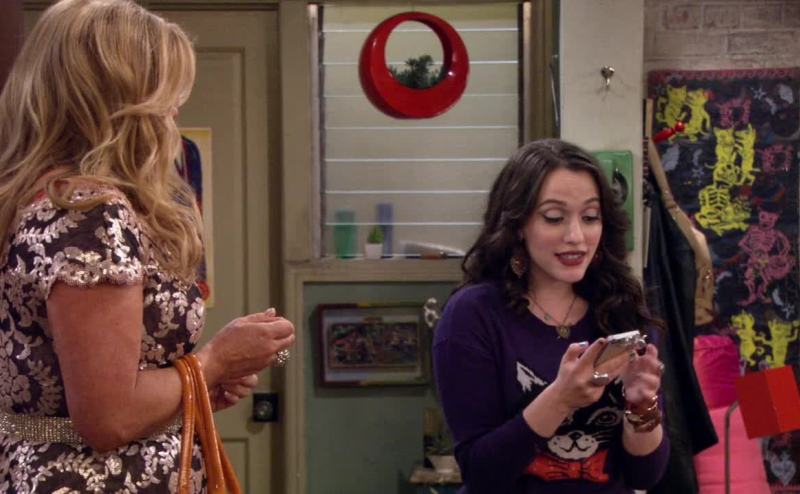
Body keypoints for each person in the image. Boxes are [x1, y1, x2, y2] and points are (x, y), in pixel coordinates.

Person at [0, 1, 294, 492]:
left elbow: (67, 390)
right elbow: (109, 418)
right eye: (168, 93)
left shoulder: (35, 198)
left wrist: (193, 389)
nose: (176, 111)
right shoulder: (91, 214)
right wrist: (215, 361)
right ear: (120, 100)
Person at [433, 139, 669, 493]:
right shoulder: (472, 315)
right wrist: (561, 398)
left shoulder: (622, 309)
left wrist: (641, 405)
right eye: (554, 218)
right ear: (517, 224)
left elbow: (645, 475)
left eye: (590, 217)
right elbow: (480, 472)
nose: (576, 236)